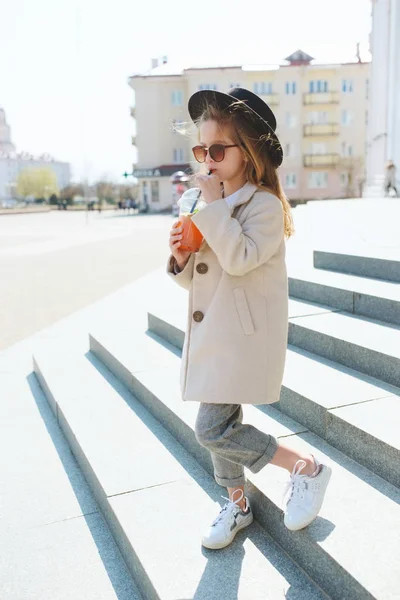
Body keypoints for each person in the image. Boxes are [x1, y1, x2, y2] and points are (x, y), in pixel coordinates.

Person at [167, 88, 332, 551]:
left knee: (212, 429)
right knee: (218, 423)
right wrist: (182, 259)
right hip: (214, 329)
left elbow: (239, 258)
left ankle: (306, 466)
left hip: (243, 336)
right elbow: (206, 283)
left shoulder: (264, 207)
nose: (208, 159)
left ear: (249, 152)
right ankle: (238, 502)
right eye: (202, 150)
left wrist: (214, 207)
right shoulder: (210, 206)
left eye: (217, 149)